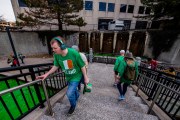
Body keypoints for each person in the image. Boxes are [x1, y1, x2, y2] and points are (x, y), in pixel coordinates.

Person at [36, 36, 89, 115]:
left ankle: (73, 106)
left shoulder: (74, 53)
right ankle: (77, 95)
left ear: (62, 46)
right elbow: (55, 66)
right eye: (52, 48)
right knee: (73, 91)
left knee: (69, 93)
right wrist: (46, 74)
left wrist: (85, 77)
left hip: (76, 76)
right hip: (68, 77)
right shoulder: (56, 55)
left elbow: (82, 66)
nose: (53, 50)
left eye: (55, 48)